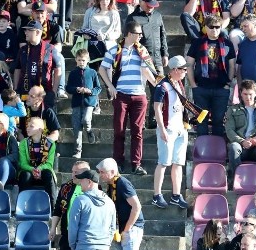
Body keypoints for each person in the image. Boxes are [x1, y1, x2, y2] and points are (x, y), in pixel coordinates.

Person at [99, 19, 157, 176]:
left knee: (137, 131)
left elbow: (147, 71)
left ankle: (136, 163)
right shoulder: (114, 50)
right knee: (119, 130)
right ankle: (118, 162)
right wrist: (110, 86)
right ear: (130, 34)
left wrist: (156, 84)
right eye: (138, 34)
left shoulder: (142, 50)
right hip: (121, 95)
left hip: (139, 95)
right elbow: (102, 68)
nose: (141, 36)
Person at [186, 13, 236, 137]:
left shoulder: (228, 44)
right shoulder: (197, 43)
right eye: (211, 27)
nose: (215, 30)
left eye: (217, 27)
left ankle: (216, 151)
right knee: (201, 121)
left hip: (221, 89)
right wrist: (193, 85)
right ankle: (202, 151)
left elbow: (232, 66)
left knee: (218, 121)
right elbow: (189, 64)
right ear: (206, 27)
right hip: (201, 88)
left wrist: (228, 84)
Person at [151, 57, 189, 209]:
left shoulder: (178, 83)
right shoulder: (162, 86)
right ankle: (156, 194)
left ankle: (176, 194)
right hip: (168, 129)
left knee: (178, 163)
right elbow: (157, 109)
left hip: (180, 128)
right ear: (175, 70)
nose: (185, 72)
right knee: (163, 162)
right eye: (183, 69)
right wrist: (161, 128)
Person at [225, 78, 256, 172]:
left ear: (255, 93)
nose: (248, 97)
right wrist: (242, 141)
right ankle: (235, 179)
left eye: (250, 94)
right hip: (241, 146)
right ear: (240, 94)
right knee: (233, 147)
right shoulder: (233, 110)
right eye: (245, 94)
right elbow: (229, 130)